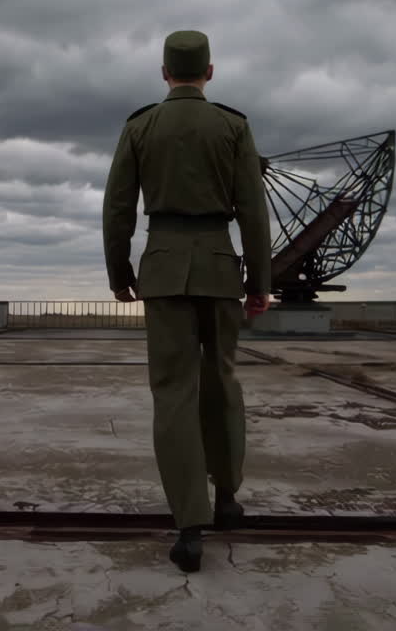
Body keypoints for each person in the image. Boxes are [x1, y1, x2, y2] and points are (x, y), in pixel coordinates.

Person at [102, 29, 271, 573]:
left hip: (164, 271)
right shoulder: (233, 126)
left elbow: (118, 208)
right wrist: (260, 282)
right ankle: (227, 498)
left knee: (174, 393)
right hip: (222, 270)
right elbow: (253, 211)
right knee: (222, 382)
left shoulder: (140, 126)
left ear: (164, 74)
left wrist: (119, 273)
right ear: (210, 73)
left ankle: (189, 526)